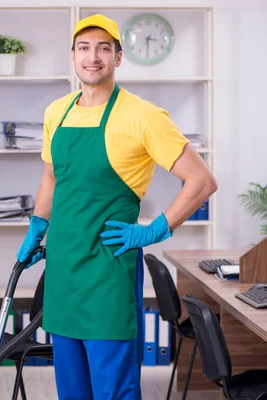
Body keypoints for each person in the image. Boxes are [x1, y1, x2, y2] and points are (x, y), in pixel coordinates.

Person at [16, 14, 218, 400]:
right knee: (72, 391)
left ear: (118, 58)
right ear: (73, 57)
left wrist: (155, 229)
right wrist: (37, 227)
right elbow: (51, 177)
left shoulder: (143, 116)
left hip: (108, 270)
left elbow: (202, 181)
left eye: (103, 48)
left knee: (114, 391)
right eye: (84, 48)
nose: (93, 57)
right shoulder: (56, 111)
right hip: (63, 269)